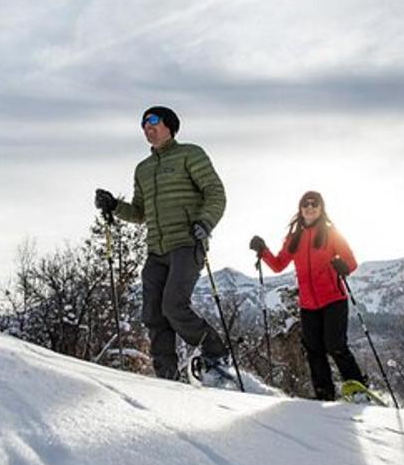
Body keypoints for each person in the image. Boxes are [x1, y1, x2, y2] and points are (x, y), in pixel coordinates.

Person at [94, 106, 228, 380]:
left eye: (152, 121)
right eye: (143, 124)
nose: (147, 127)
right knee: (153, 314)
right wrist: (114, 206)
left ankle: (216, 353)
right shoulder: (143, 169)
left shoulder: (190, 154)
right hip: (156, 249)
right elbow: (140, 213)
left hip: (187, 243)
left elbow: (215, 192)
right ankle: (166, 377)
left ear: (170, 125)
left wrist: (205, 222)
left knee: (174, 306)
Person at [250, 191, 368, 400]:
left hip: (334, 299)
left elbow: (351, 261)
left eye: (315, 204)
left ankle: (358, 389)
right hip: (308, 305)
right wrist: (263, 250)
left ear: (321, 208)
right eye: (306, 204)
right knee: (313, 349)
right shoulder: (294, 238)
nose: (310, 207)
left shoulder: (331, 233)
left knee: (335, 345)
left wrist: (344, 266)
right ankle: (324, 393)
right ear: (300, 209)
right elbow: (278, 265)